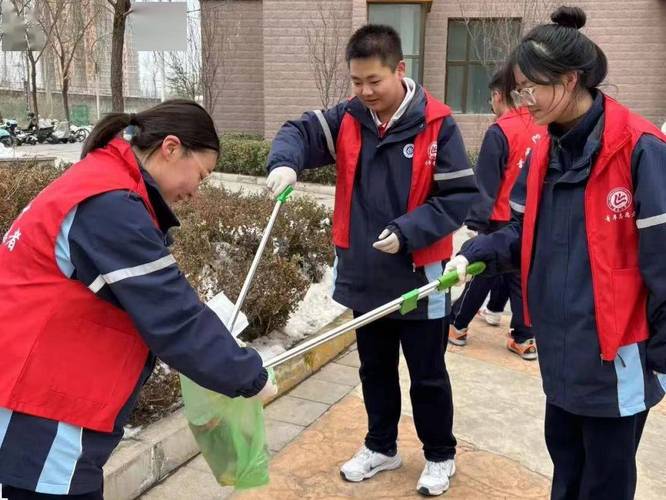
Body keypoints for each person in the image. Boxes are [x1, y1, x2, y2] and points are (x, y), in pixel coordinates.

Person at [0, 99, 276, 499]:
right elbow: (173, 318)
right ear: (170, 148)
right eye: (201, 174)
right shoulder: (109, 202)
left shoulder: (103, 181)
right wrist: (248, 376)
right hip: (42, 407)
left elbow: (153, 299)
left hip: (38, 387)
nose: (195, 192)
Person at [446, 6, 666, 500]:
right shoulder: (544, 150)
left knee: (605, 482)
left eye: (531, 89)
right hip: (562, 353)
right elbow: (525, 233)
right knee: (566, 470)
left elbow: (664, 261)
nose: (524, 102)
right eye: (518, 90)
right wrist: (475, 252)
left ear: (569, 81)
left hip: (618, 359)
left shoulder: (639, 149)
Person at [265, 24, 477, 496]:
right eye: (356, 82)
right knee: (374, 368)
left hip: (421, 277)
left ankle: (440, 454)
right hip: (365, 273)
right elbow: (298, 131)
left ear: (400, 70)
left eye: (373, 81)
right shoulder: (348, 118)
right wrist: (285, 162)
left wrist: (407, 232)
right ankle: (381, 445)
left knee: (427, 374)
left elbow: (459, 197)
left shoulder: (437, 125)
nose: (364, 92)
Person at [448, 69, 544, 361]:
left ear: (499, 95)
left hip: (500, 216)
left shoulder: (501, 130)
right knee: (520, 275)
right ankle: (524, 336)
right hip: (530, 217)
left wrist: (475, 223)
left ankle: (457, 324)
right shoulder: (543, 127)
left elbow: (486, 182)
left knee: (481, 271)